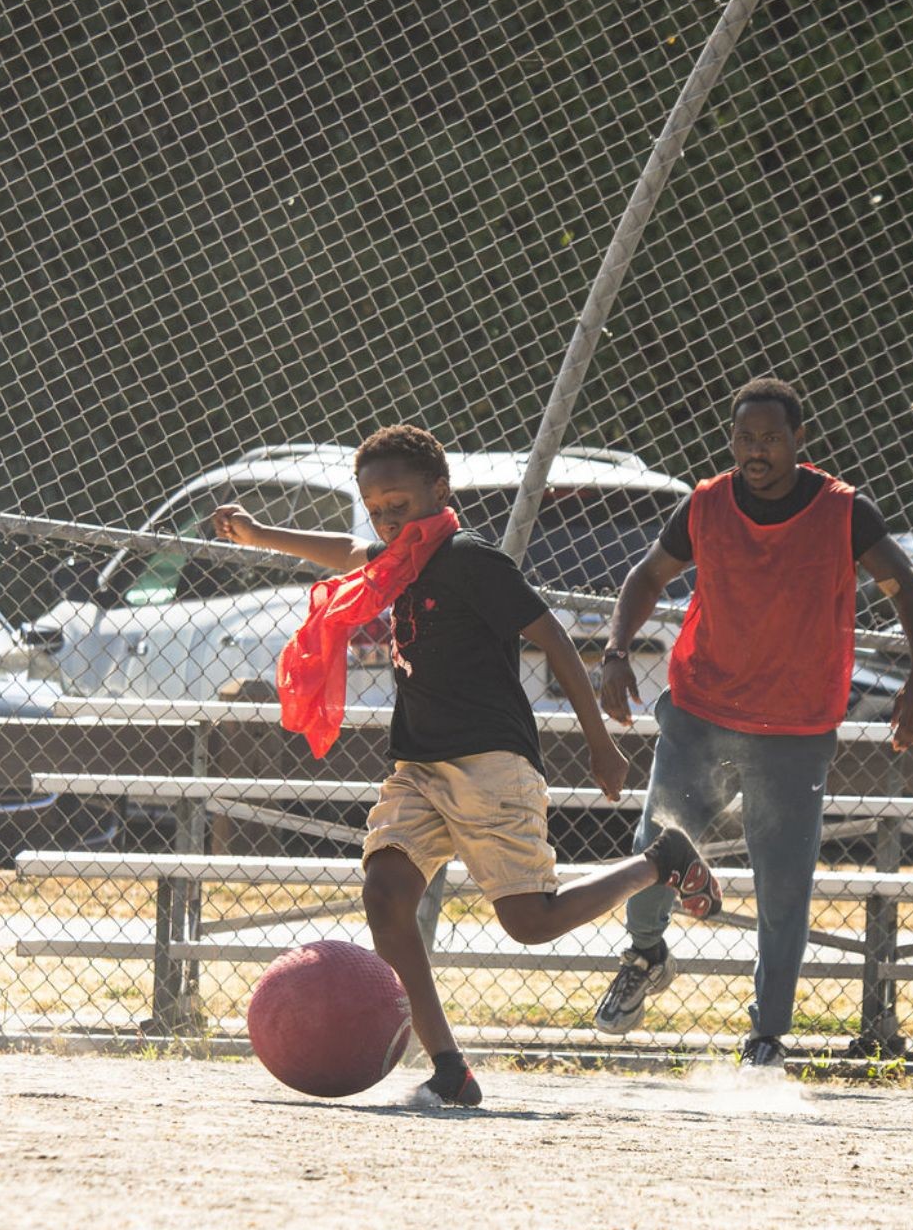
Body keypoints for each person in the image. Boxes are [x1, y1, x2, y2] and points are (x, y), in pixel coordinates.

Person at [213, 423, 721, 1108]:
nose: (388, 519)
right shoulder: (401, 559)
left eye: (401, 504)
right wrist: (261, 534)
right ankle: (450, 1069)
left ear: (439, 491)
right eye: (377, 509)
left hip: (490, 763)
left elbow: (555, 641)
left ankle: (662, 860)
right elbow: (344, 550)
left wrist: (599, 740)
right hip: (419, 767)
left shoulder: (469, 559)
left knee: (530, 922)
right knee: (386, 895)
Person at [594, 376, 913, 1066]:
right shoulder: (707, 504)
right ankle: (646, 956)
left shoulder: (842, 511)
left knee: (784, 886)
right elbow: (647, 577)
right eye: (744, 438)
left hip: (793, 727)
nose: (756, 451)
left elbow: (907, 586)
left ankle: (765, 1037)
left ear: (798, 441)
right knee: (655, 848)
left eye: (771, 439)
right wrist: (614, 652)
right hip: (700, 711)